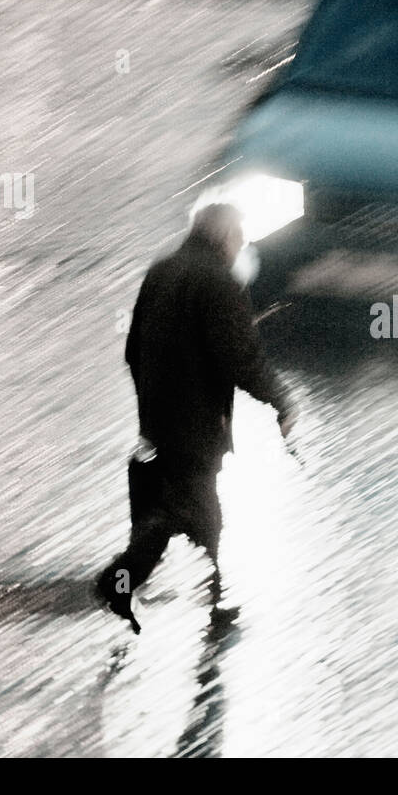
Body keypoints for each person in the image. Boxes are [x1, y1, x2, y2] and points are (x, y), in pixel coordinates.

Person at [95, 202, 297, 633]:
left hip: (158, 421)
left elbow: (132, 348)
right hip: (197, 426)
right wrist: (281, 401)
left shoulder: (162, 270)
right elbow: (241, 357)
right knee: (186, 516)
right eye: (238, 238)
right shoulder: (221, 283)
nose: (240, 246)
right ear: (223, 236)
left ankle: (212, 600)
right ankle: (122, 583)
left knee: (194, 515)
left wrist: (152, 398)